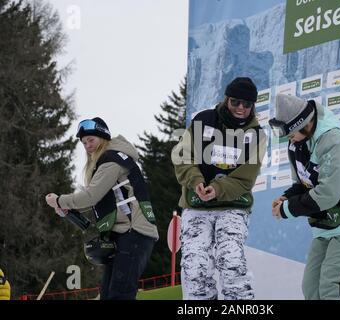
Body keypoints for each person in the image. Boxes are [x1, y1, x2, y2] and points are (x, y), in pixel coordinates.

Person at [269, 94, 340, 300]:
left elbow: (328, 194)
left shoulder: (333, 141)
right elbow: (303, 184)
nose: (286, 136)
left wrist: (288, 210)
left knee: (332, 287)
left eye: (288, 130)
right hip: (330, 223)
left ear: (303, 124)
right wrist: (286, 198)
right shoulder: (297, 144)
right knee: (312, 289)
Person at [173, 77, 267, 300]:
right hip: (197, 206)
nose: (241, 108)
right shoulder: (203, 120)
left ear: (252, 106)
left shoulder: (257, 135)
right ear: (227, 99)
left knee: (231, 260)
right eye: (235, 102)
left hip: (232, 206)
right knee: (194, 265)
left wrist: (216, 189)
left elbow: (245, 179)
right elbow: (183, 156)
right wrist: (197, 182)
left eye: (247, 104)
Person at [45, 117, 159, 300]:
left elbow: (91, 195)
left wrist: (60, 201)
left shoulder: (111, 160)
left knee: (119, 293)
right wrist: (69, 210)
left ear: (103, 137)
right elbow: (100, 200)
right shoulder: (106, 161)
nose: (87, 145)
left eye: (91, 140)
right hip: (123, 233)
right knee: (107, 294)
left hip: (135, 232)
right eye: (84, 142)